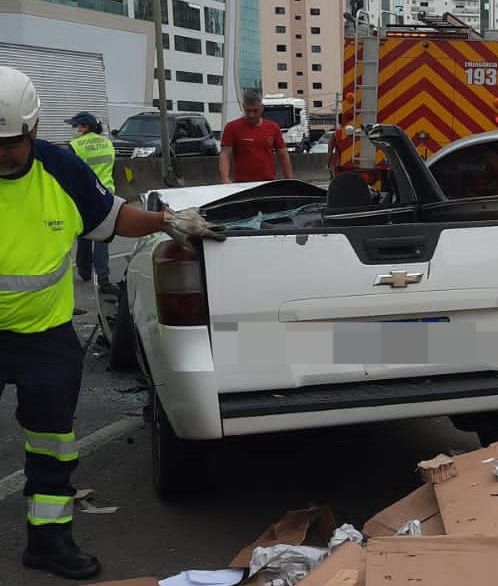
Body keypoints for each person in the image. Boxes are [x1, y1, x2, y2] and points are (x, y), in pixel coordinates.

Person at [0, 66, 225, 580]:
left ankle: (49, 541)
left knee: (52, 443)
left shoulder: (60, 169)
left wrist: (167, 221)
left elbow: (112, 219)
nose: (0, 152)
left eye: (9, 143)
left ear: (33, 130)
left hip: (45, 336)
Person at [67, 112, 117, 294]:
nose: (76, 130)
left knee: (85, 232)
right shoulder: (108, 144)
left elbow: (72, 172)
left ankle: (85, 270)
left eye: (79, 126)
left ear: (86, 127)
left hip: (84, 195)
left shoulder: (75, 145)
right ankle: (103, 280)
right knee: (103, 238)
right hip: (106, 195)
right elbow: (113, 170)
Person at [219, 89, 293, 183]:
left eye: (255, 111)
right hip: (241, 183)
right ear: (243, 107)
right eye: (248, 111)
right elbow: (225, 154)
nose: (252, 115)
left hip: (267, 182)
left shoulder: (273, 127)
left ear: (262, 108)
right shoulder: (232, 127)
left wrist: (289, 180)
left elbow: (283, 154)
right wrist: (225, 178)